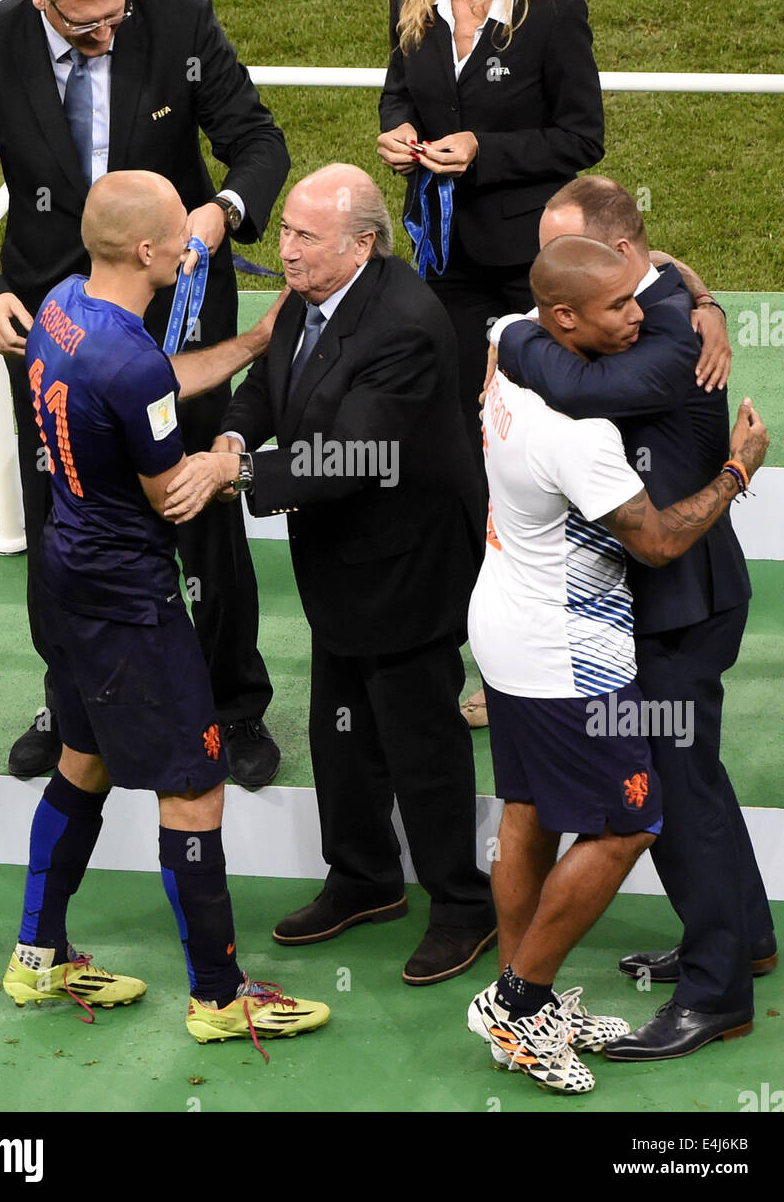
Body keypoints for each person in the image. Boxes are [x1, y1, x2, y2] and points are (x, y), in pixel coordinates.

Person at [0, 0, 288, 788]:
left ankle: (235, 707)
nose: (108, 32)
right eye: (87, 24)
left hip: (179, 313)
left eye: (116, 14)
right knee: (62, 518)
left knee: (199, 508)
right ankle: (73, 703)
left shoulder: (181, 20)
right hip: (52, 333)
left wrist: (224, 211)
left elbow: (257, 144)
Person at [2, 169, 328, 1055]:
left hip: (65, 570)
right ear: (148, 251)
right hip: (128, 601)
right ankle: (220, 997)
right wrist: (221, 473)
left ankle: (38, 953)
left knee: (83, 756)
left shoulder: (63, 303)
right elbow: (167, 488)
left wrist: (251, 346)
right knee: (193, 785)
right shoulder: (130, 357)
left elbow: (147, 385)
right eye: (181, 233)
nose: (193, 242)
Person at [165, 164, 496, 985]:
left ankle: (462, 903)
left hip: (407, 565)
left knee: (420, 739)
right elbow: (268, 390)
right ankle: (363, 877)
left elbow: (352, 458)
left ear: (363, 245)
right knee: (340, 727)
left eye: (304, 237)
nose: (286, 250)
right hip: (344, 563)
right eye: (283, 232)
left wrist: (234, 479)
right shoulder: (308, 299)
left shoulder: (406, 326)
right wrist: (237, 439)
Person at [465, 234, 769, 1093]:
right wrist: (742, 469)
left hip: (586, 627)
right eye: (617, 305)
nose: (639, 314)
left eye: (638, 289)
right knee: (653, 803)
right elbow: (661, 537)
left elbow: (559, 325)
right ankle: (530, 998)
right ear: (565, 315)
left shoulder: (534, 350)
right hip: (582, 643)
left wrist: (698, 298)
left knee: (628, 797)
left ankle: (722, 975)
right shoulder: (573, 412)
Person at [377, 0, 604, 730]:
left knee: (523, 462)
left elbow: (580, 137)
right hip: (438, 266)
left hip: (523, 272)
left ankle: (538, 656)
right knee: (451, 460)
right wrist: (399, 131)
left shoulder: (553, 13)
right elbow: (400, 87)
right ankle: (462, 648)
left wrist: (484, 154)